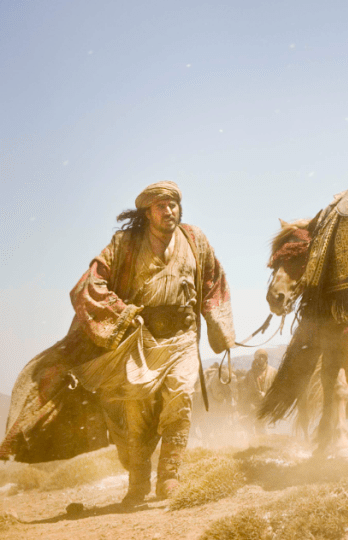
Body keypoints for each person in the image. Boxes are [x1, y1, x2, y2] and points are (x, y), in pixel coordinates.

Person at [3, 181, 236, 505]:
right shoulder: (125, 244)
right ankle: (138, 481)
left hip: (182, 337)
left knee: (181, 395)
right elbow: (90, 283)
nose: (168, 211)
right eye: (160, 206)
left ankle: (169, 476)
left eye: (173, 205)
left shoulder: (194, 239)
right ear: (147, 212)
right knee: (135, 411)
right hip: (139, 340)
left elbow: (213, 280)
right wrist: (120, 314)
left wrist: (218, 325)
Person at [242, 348, 278, 435]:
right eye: (259, 357)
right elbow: (245, 389)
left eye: (263, 357)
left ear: (266, 358)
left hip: (269, 403)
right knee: (258, 427)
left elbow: (277, 388)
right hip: (255, 404)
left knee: (268, 427)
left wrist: (268, 395)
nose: (261, 359)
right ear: (256, 359)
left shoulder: (273, 372)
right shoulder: (250, 373)